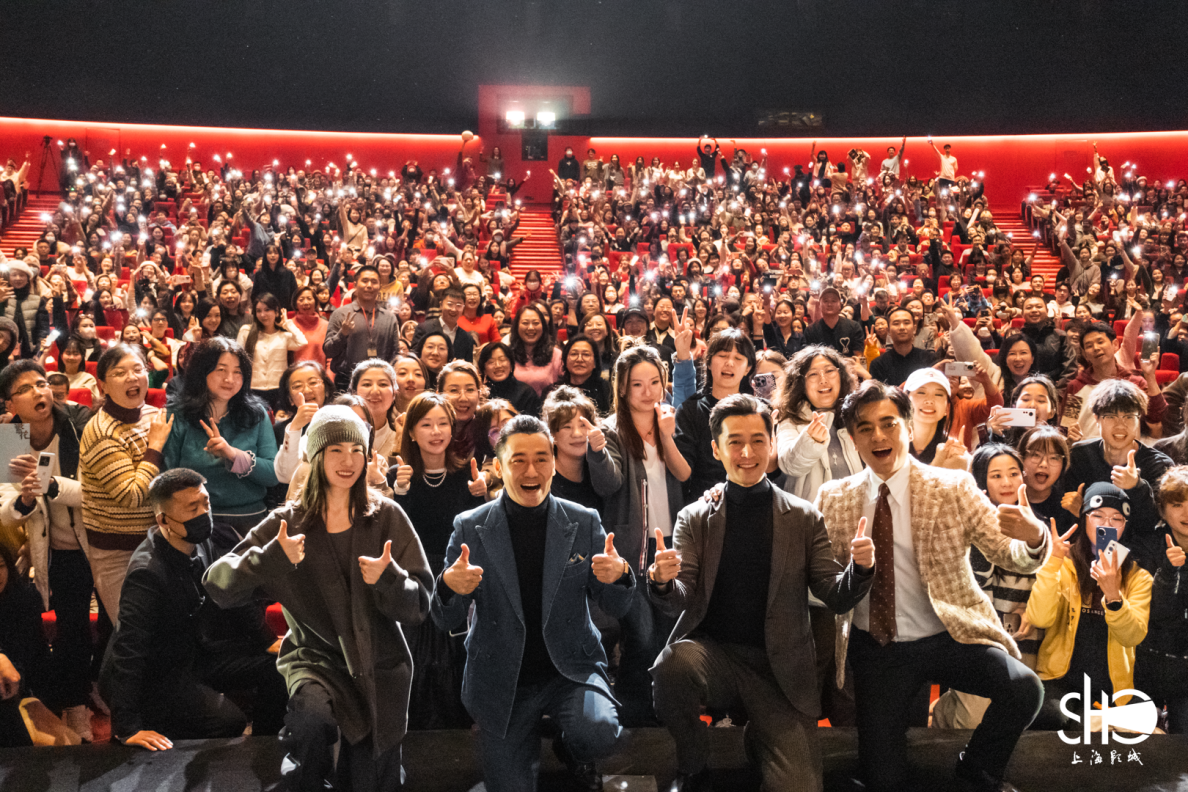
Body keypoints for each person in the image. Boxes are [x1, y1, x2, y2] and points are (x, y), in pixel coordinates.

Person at [816, 380, 1049, 792]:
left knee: (1023, 689)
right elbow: (819, 576)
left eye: (888, 423)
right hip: (879, 650)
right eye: (865, 428)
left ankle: (976, 768)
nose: (878, 436)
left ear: (907, 426)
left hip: (948, 634)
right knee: (883, 779)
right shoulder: (834, 497)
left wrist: (1033, 537)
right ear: (852, 439)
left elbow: (1005, 551)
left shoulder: (952, 487)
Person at [649, 394, 875, 792]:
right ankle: (693, 763)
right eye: (734, 441)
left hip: (779, 670)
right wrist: (663, 581)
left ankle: (762, 738)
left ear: (772, 444)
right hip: (714, 656)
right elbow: (680, 599)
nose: (747, 451)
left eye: (758, 440)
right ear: (716, 448)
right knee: (673, 665)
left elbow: (834, 595)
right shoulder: (695, 516)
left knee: (800, 787)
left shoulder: (803, 516)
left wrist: (860, 570)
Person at [204, 407, 432, 792]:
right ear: (315, 455)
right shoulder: (288, 522)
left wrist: (390, 580)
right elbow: (218, 586)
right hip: (314, 659)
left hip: (378, 662)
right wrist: (270, 559)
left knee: (371, 781)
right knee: (312, 726)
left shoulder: (387, 515)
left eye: (356, 450)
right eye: (336, 450)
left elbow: (420, 606)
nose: (348, 461)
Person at [431, 414, 635, 792]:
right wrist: (447, 587)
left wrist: (619, 576)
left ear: (554, 463)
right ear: (499, 466)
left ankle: (569, 747)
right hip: (502, 679)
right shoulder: (469, 526)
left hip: (570, 669)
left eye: (542, 458)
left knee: (600, 731)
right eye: (518, 460)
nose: (531, 469)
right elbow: (446, 619)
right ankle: (524, 740)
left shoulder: (584, 521)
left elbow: (617, 605)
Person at [100, 469, 287, 750]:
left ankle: (263, 751)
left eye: (206, 503)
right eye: (192, 508)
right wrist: (126, 727)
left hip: (198, 652)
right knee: (229, 721)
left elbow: (233, 593)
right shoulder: (147, 572)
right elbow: (129, 648)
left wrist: (269, 641)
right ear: (163, 519)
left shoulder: (205, 540)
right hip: (159, 672)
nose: (204, 514)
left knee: (280, 666)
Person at [0, 360, 94, 739]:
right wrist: (23, 499)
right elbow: (6, 505)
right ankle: (74, 704)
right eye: (26, 388)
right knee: (70, 629)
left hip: (98, 540)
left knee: (108, 624)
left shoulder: (79, 422)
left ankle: (94, 692)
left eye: (41, 383)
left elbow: (94, 491)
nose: (39, 392)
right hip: (53, 548)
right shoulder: (10, 436)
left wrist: (49, 484)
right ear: (10, 404)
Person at [388, 392, 485, 729]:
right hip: (415, 575)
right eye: (426, 424)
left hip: (456, 574)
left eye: (443, 423)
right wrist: (399, 493)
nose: (436, 431)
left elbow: (477, 531)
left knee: (456, 653)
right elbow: (398, 533)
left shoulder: (466, 475)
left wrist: (482, 496)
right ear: (411, 432)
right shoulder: (398, 475)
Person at [1027, 483, 1153, 731]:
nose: (1106, 524)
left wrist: (1114, 595)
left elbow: (1133, 636)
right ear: (1084, 519)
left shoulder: (1139, 577)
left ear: (1125, 525)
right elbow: (1039, 619)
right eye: (1097, 516)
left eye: (1116, 518)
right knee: (1051, 719)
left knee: (1094, 732)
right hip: (1059, 679)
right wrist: (1052, 564)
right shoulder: (1063, 563)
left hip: (1111, 686)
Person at [80, 344, 174, 623]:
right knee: (134, 634)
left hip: (157, 541)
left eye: (138, 369)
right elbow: (131, 495)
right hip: (118, 550)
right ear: (103, 385)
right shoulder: (101, 430)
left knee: (163, 627)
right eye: (120, 373)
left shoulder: (151, 415)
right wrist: (155, 446)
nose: (133, 378)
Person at [162, 338, 279, 538]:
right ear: (202, 371)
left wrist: (232, 455)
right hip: (196, 521)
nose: (230, 379)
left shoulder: (256, 413)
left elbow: (272, 474)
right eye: (221, 370)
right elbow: (166, 476)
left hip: (249, 520)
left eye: (237, 372)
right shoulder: (177, 414)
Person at [1061, 379, 1172, 568]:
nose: (1120, 425)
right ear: (1096, 419)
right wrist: (1077, 510)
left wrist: (1136, 487)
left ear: (1139, 419)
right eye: (1111, 416)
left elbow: (1153, 525)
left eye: (1129, 417)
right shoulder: (1079, 455)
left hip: (1137, 558)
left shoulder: (1158, 464)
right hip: (1085, 554)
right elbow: (1065, 516)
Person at [673, 327, 756, 503]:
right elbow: (684, 472)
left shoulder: (756, 411)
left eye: (738, 358)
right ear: (709, 362)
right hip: (704, 505)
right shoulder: (690, 410)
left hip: (751, 502)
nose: (730, 363)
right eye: (723, 356)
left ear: (748, 368)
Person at [1134, 466, 1188, 734]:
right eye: (1177, 504)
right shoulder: (1144, 545)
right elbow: (1154, 612)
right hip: (1146, 665)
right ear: (1163, 509)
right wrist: (1168, 571)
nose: (1186, 513)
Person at [1061, 321, 1165, 441]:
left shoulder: (1134, 383)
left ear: (1115, 344)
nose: (1096, 348)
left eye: (1100, 342)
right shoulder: (1076, 387)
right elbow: (1066, 426)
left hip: (1128, 455)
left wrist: (1150, 375)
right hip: (1087, 456)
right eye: (1089, 346)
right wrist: (1070, 437)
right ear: (1085, 354)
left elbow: (1156, 417)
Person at [323, 265, 400, 384]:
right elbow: (329, 351)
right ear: (355, 285)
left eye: (374, 282)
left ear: (380, 286)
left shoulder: (389, 318)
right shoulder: (340, 314)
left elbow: (395, 354)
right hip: (346, 381)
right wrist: (342, 334)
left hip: (381, 381)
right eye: (364, 281)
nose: (369, 285)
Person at [237, 293, 308, 409]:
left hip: (278, 389)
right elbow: (237, 358)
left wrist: (287, 324)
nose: (263, 315)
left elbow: (302, 342)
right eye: (259, 311)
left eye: (267, 310)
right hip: (253, 389)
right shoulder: (246, 332)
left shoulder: (284, 336)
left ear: (276, 311)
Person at [869, 307, 936, 386]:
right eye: (896, 323)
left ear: (914, 328)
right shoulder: (878, 364)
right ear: (889, 331)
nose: (902, 327)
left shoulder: (929, 359)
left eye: (906, 323)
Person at [509, 303, 563, 398]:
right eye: (525, 323)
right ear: (517, 326)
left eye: (536, 323)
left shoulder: (557, 355)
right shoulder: (507, 354)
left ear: (543, 326)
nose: (531, 328)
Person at [411, 285, 476, 365]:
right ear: (441, 305)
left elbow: (468, 366)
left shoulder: (467, 338)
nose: (454, 309)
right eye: (450, 304)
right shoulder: (424, 328)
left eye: (459, 306)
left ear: (463, 309)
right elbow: (414, 357)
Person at [479, 341, 541, 417]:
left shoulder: (526, 393)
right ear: (484, 369)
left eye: (502, 360)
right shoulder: (480, 394)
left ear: (511, 364)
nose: (498, 365)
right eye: (491, 362)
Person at [804, 287, 863, 357]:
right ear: (820, 305)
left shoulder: (854, 327)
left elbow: (858, 357)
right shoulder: (811, 330)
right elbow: (809, 358)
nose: (829, 304)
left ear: (840, 305)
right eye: (825, 301)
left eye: (833, 301)